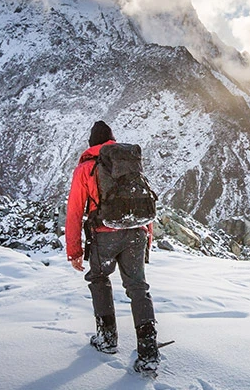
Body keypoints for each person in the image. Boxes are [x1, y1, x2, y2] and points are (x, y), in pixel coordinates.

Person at [65, 120, 160, 373]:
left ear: (91, 144)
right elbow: (141, 201)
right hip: (136, 233)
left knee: (98, 278)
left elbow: (74, 212)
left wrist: (73, 251)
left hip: (104, 235)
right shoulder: (129, 164)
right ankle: (149, 352)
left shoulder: (86, 167)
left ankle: (107, 339)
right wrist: (147, 239)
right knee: (138, 288)